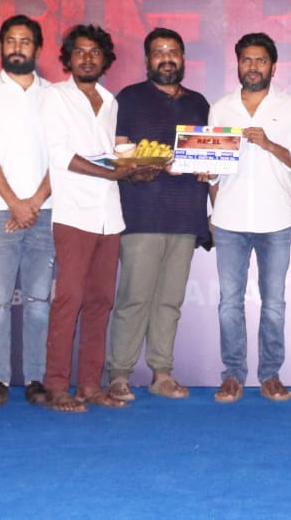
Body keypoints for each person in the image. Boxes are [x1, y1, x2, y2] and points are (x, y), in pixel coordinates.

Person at [207, 32, 291, 403]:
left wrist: (270, 144)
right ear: (238, 64)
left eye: (260, 60)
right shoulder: (221, 107)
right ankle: (232, 375)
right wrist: (206, 176)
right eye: (246, 60)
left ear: (273, 66)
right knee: (229, 303)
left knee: (273, 304)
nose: (253, 66)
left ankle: (270, 374)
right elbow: (214, 167)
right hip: (229, 219)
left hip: (275, 220)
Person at [106, 27, 211, 402]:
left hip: (186, 217)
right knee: (134, 298)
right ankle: (119, 374)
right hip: (142, 215)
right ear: (147, 60)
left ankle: (162, 373)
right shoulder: (130, 98)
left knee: (169, 301)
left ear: (183, 58)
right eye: (159, 52)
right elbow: (119, 153)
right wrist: (162, 160)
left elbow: (207, 156)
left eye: (173, 52)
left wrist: (208, 170)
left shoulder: (199, 103)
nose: (167, 58)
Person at [40, 24, 136, 412]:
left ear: (105, 59)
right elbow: (60, 154)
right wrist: (112, 173)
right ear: (68, 58)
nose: (87, 58)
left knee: (100, 302)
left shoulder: (111, 102)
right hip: (73, 213)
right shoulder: (55, 96)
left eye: (95, 52)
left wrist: (137, 169)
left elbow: (115, 157)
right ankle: (56, 386)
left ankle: (90, 385)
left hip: (109, 215)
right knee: (69, 300)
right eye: (79, 51)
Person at [0, 15, 55, 407]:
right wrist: (15, 203)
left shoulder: (54, 95)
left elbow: (61, 154)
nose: (18, 47)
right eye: (11, 41)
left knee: (38, 302)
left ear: (38, 48)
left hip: (46, 210)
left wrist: (34, 202)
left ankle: (35, 378)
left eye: (26, 41)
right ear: (1, 45)